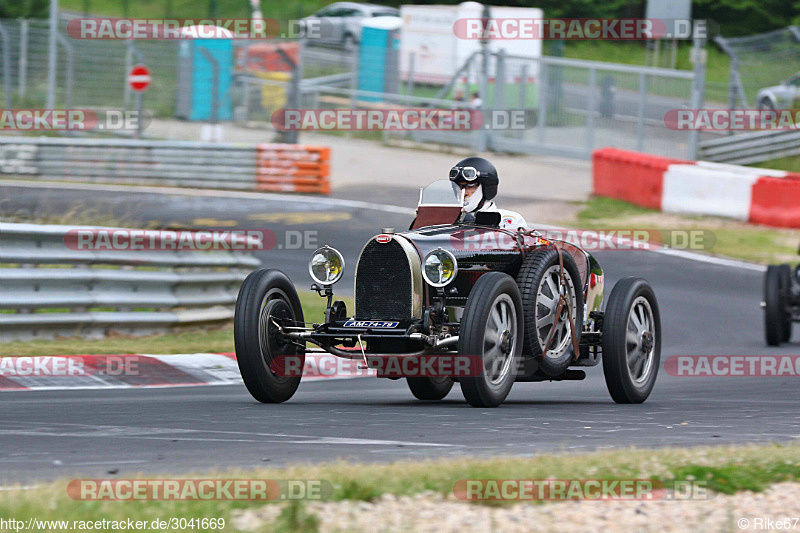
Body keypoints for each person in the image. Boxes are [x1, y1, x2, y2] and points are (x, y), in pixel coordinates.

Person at [449, 156, 527, 230]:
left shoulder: (510, 220)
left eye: (470, 186)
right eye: (458, 187)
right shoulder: (446, 219)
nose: (464, 193)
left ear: (487, 188)